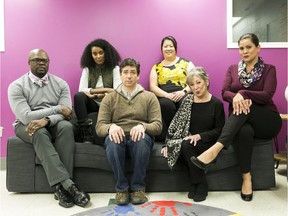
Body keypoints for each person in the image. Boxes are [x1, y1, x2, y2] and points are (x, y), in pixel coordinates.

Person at [191, 33, 282, 202]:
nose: (245, 51)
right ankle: (246, 178)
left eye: (249, 47)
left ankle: (214, 150)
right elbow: (224, 92)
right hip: (242, 122)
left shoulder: (269, 69)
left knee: (244, 107)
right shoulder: (233, 69)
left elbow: (267, 95)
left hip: (267, 120)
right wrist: (236, 98)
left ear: (258, 48)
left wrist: (242, 93)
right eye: (241, 48)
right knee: (244, 131)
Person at [8, 49, 90, 208]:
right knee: (37, 131)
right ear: (28, 62)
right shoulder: (16, 86)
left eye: (44, 61)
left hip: (52, 122)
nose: (41, 63)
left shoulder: (60, 84)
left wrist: (47, 119)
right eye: (36, 60)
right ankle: (68, 186)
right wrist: (56, 109)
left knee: (66, 127)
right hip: (26, 125)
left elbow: (67, 114)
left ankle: (61, 190)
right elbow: (26, 116)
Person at [96, 58, 162, 205]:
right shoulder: (110, 98)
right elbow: (100, 127)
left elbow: (157, 126)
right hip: (117, 136)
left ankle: (138, 188)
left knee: (141, 140)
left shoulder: (149, 97)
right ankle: (121, 189)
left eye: (133, 72)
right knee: (112, 141)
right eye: (125, 72)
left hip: (140, 137)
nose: (129, 76)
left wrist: (143, 126)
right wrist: (110, 127)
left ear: (138, 75)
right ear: (120, 75)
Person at [161, 67, 225, 202]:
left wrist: (199, 136)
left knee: (186, 145)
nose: (196, 87)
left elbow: (219, 130)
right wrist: (168, 143)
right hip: (188, 141)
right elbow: (176, 125)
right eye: (192, 85)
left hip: (207, 142)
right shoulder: (187, 101)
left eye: (198, 83)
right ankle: (200, 182)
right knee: (183, 145)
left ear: (206, 82)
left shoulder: (216, 104)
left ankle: (197, 183)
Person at [74, 38, 121, 143]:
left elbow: (117, 90)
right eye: (95, 54)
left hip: (109, 102)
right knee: (79, 96)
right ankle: (85, 132)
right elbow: (81, 89)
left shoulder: (115, 68)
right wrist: (100, 93)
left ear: (106, 53)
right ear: (91, 55)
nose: (98, 56)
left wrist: (96, 92)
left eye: (101, 53)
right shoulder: (87, 69)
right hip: (93, 102)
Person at [149, 35, 195, 141]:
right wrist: (166, 95)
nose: (168, 48)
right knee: (165, 104)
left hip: (184, 93)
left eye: (171, 46)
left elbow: (194, 82)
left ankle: (183, 133)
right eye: (165, 46)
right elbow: (153, 86)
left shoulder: (187, 63)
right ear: (162, 49)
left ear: (175, 48)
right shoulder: (156, 67)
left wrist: (183, 92)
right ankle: (172, 136)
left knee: (186, 102)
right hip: (164, 95)